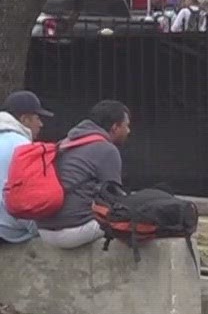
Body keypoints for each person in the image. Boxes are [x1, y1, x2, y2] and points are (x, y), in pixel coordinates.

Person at [39, 100, 130, 250]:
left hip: (44, 231)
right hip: (73, 231)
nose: (128, 131)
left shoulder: (65, 143)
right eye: (126, 125)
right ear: (115, 127)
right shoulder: (107, 149)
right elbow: (114, 198)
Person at [0, 90, 52, 245]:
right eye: (37, 118)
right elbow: (24, 201)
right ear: (24, 119)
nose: (41, 124)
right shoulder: (23, 147)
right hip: (8, 231)